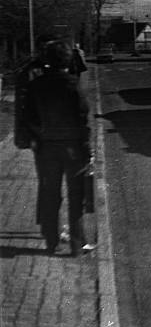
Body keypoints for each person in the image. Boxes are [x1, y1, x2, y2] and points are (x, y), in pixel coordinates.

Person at [22, 40, 93, 256]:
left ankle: (52, 243)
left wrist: (39, 136)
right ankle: (77, 245)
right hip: (73, 149)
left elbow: (29, 117)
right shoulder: (74, 86)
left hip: (46, 148)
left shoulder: (35, 86)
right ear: (68, 60)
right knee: (76, 197)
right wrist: (88, 151)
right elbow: (83, 122)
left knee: (51, 194)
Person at [14, 34, 54, 226]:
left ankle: (48, 223)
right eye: (45, 48)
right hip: (40, 134)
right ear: (39, 50)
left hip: (52, 133)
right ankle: (48, 224)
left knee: (49, 181)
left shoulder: (51, 69)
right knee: (47, 181)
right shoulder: (31, 72)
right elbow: (23, 108)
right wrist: (27, 135)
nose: (47, 52)